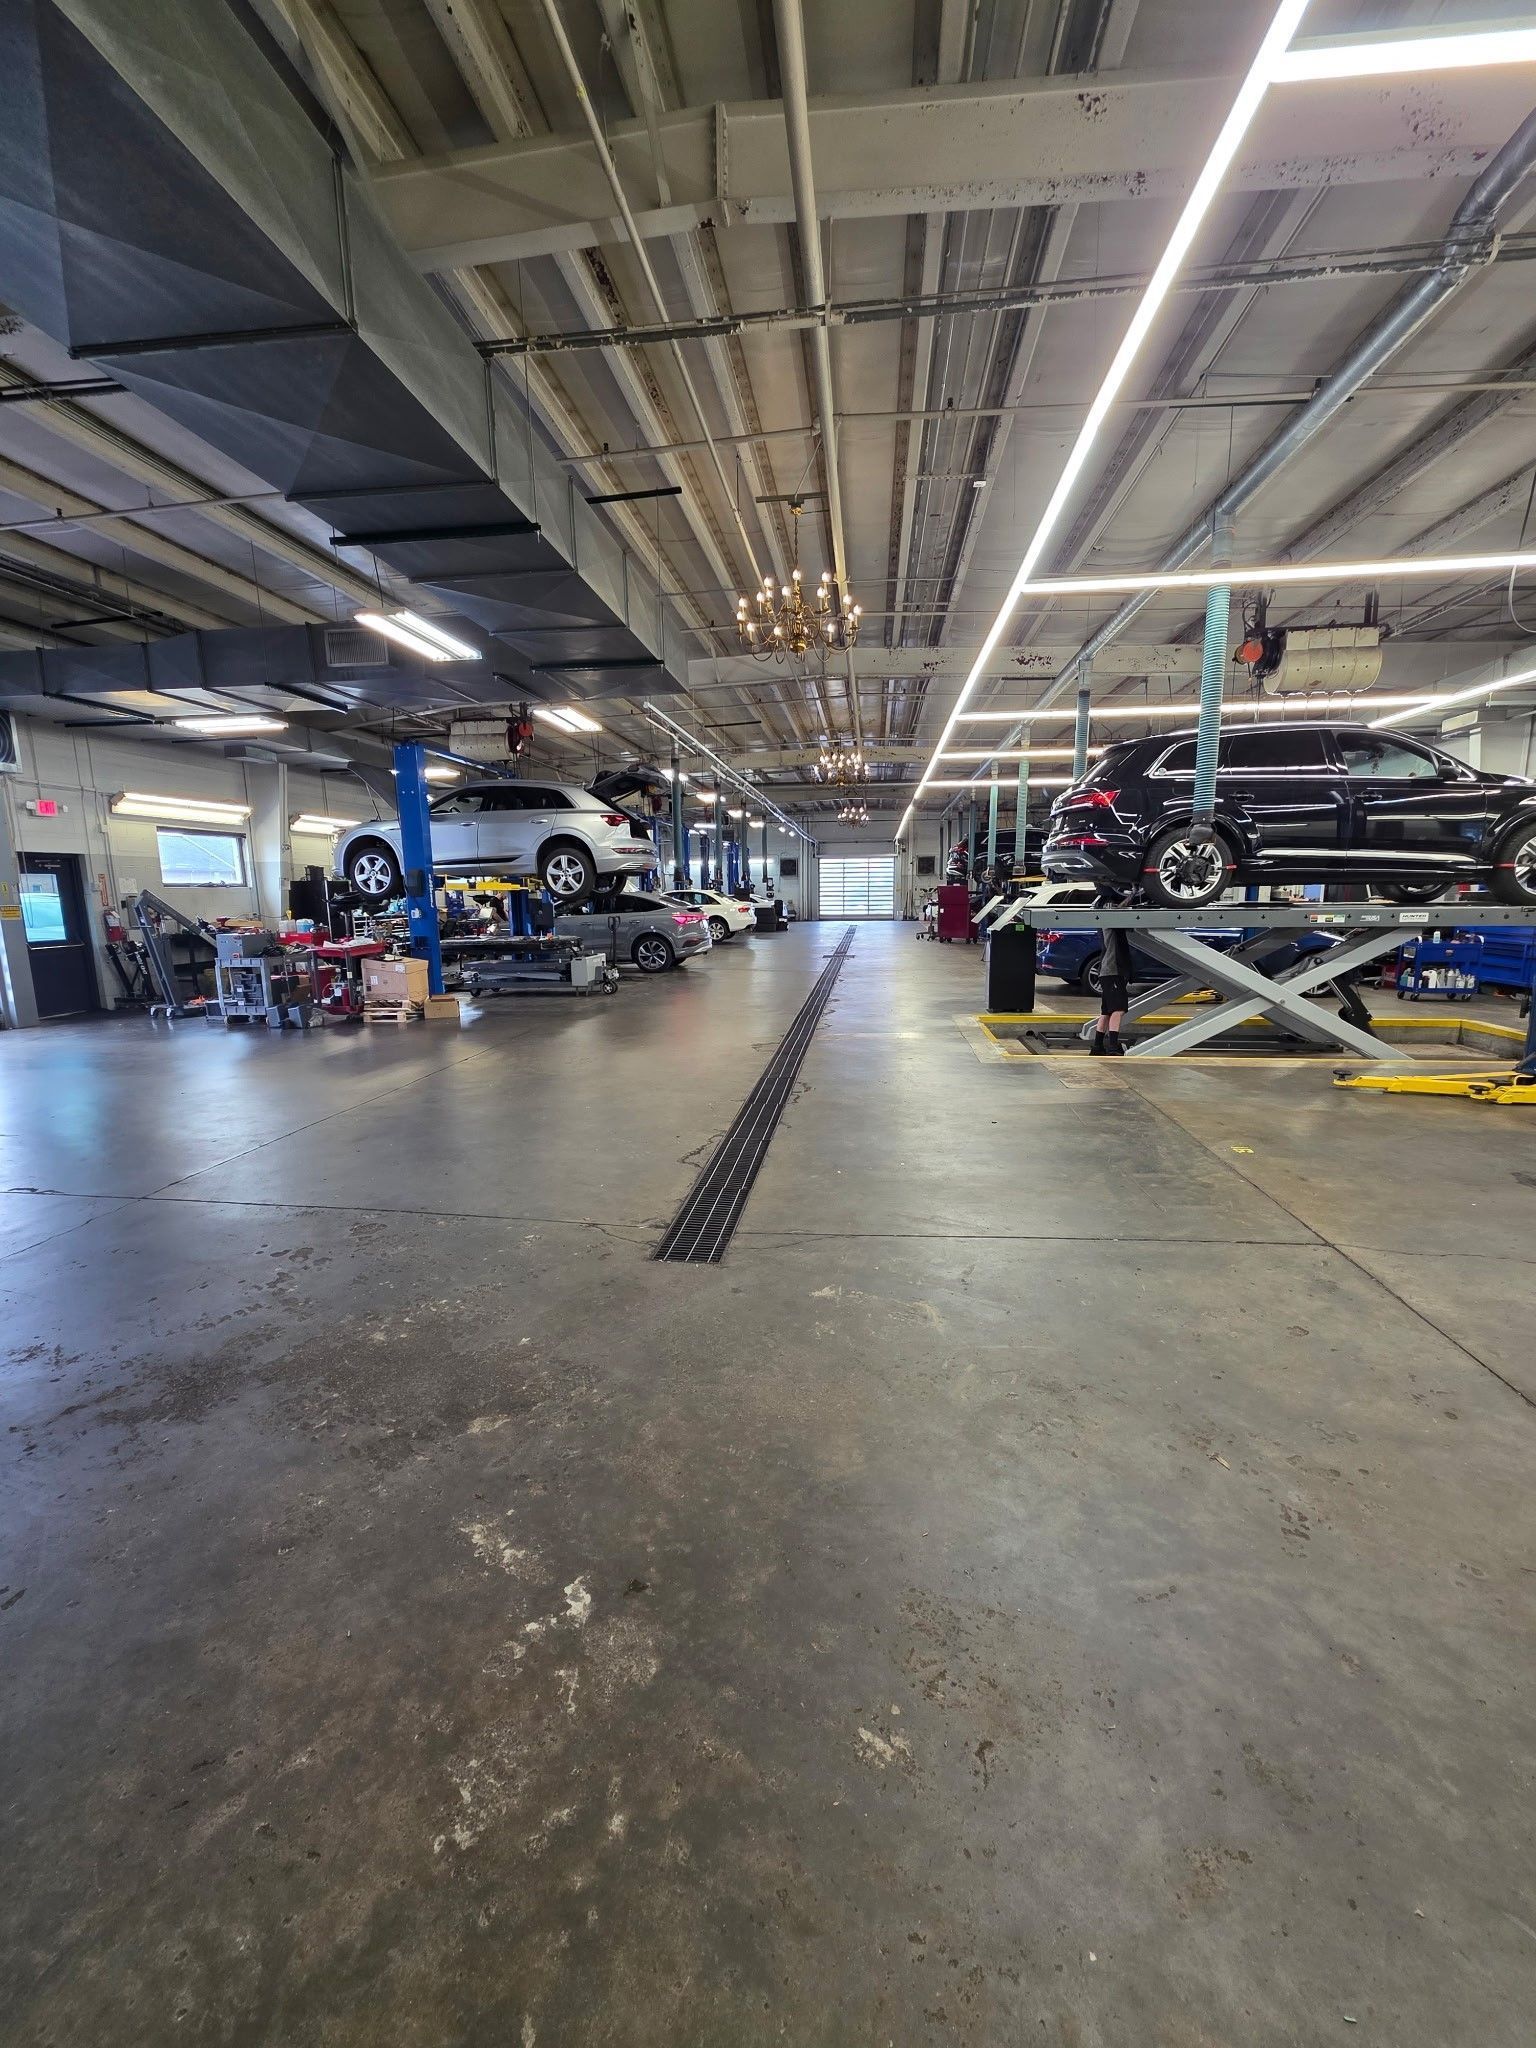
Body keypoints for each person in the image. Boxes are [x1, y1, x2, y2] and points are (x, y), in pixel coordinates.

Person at [1091, 887, 1135, 1056]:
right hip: (1112, 970)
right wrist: (1132, 895)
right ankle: (1112, 1047)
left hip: (1107, 971)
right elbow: (1117, 910)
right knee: (1119, 1009)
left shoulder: (1101, 918)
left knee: (1106, 1011)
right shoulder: (1109, 915)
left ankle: (1097, 1046)